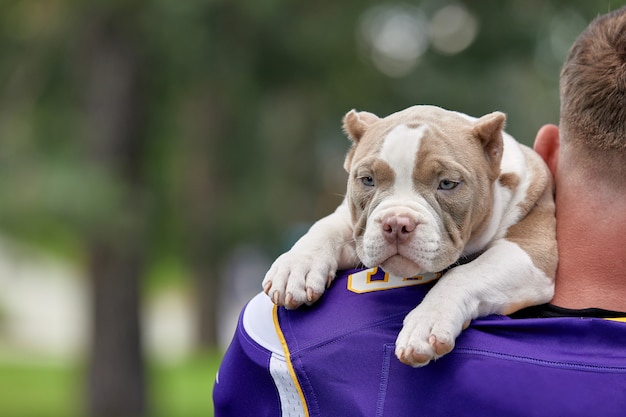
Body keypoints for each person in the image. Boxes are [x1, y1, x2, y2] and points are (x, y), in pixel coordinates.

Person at [212, 7, 626, 417]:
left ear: (502, 153)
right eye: (370, 181)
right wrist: (319, 242)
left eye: (446, 184)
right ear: (353, 152)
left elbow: (533, 267)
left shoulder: (283, 338)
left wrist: (455, 296)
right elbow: (352, 216)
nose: (397, 221)